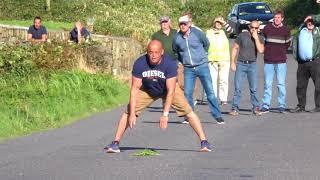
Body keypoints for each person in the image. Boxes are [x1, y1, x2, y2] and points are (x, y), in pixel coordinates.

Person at [105, 40, 213, 153]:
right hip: (148, 90)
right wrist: (132, 114)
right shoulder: (140, 63)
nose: (153, 55)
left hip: (168, 90)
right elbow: (134, 89)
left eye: (156, 52)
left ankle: (204, 142)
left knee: (189, 112)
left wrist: (165, 115)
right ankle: (115, 143)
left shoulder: (169, 63)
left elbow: (171, 90)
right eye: (150, 52)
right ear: (147, 52)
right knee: (127, 113)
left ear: (162, 52)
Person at [172, 15, 224, 124]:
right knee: (187, 93)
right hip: (188, 69)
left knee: (210, 91)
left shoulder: (197, 33)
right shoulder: (177, 38)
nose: (183, 26)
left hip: (202, 66)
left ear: (189, 24)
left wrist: (203, 56)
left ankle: (217, 115)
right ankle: (189, 116)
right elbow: (176, 51)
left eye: (185, 24)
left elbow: (206, 44)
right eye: (181, 24)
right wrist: (184, 61)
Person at [229, 21, 264, 116]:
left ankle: (256, 107)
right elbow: (235, 48)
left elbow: (261, 50)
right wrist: (232, 62)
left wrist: (256, 38)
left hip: (252, 64)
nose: (254, 29)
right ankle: (235, 108)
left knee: (254, 88)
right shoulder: (242, 36)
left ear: (259, 28)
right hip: (241, 63)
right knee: (238, 88)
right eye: (252, 27)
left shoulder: (260, 37)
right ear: (249, 26)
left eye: (256, 28)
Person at [260, 10, 291, 113]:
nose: (277, 19)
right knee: (268, 84)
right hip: (268, 61)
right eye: (275, 17)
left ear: (282, 19)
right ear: (273, 18)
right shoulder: (267, 28)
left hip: (281, 61)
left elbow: (287, 44)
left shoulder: (286, 30)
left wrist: (280, 51)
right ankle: (266, 105)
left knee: (281, 84)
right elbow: (262, 41)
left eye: (279, 17)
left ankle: (281, 105)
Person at [291, 16, 320, 113]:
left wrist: (313, 16)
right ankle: (301, 106)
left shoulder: (318, 31)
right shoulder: (301, 30)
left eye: (312, 21)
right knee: (300, 86)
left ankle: (318, 106)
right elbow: (295, 41)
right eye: (308, 21)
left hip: (315, 62)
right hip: (302, 63)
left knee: (318, 85)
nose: (310, 23)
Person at [206, 16, 233, 105]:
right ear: (214, 23)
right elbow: (205, 44)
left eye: (220, 23)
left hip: (224, 59)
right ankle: (213, 98)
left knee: (224, 80)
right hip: (212, 60)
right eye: (217, 22)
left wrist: (224, 23)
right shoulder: (208, 32)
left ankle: (223, 99)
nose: (218, 24)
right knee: (212, 80)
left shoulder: (224, 32)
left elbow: (232, 32)